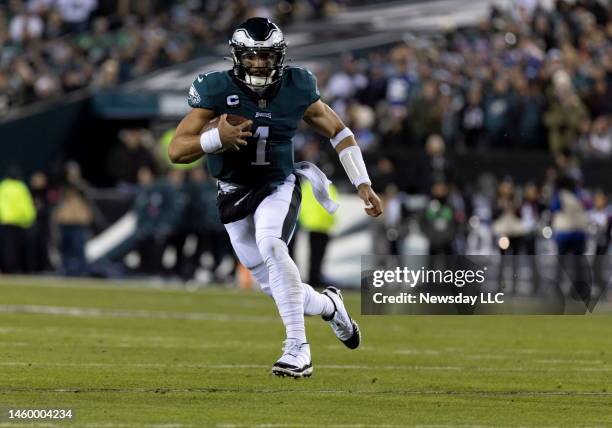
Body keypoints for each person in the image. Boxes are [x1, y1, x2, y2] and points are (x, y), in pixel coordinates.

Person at [169, 18, 383, 378]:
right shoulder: (216, 88)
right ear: (237, 57)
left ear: (279, 56)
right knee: (274, 283)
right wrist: (215, 139)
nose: (258, 64)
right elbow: (176, 151)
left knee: (272, 245)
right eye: (251, 56)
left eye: (266, 56)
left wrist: (362, 182)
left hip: (276, 182)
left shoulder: (297, 85)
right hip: (232, 190)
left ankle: (298, 349)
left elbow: (339, 131)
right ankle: (330, 306)